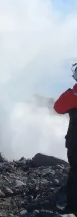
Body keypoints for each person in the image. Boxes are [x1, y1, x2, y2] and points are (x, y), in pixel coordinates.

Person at [53, 63, 77, 214]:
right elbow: (58, 107)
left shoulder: (72, 95)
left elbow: (59, 108)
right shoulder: (72, 95)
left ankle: (73, 207)